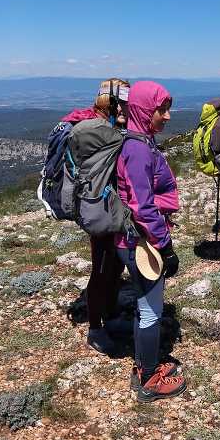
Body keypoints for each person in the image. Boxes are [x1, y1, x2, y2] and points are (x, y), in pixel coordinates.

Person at [116, 81, 186, 401]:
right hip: (140, 241)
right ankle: (148, 379)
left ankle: (143, 364)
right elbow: (141, 206)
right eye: (162, 110)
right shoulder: (138, 149)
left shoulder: (142, 141)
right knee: (150, 311)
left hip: (136, 238)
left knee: (145, 306)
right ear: (145, 110)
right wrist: (165, 246)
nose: (168, 116)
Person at [61, 78, 130, 356]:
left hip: (108, 205)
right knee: (101, 268)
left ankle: (110, 316)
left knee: (113, 265)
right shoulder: (95, 130)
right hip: (99, 208)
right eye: (123, 101)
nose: (128, 106)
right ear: (112, 103)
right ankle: (96, 328)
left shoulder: (103, 126)